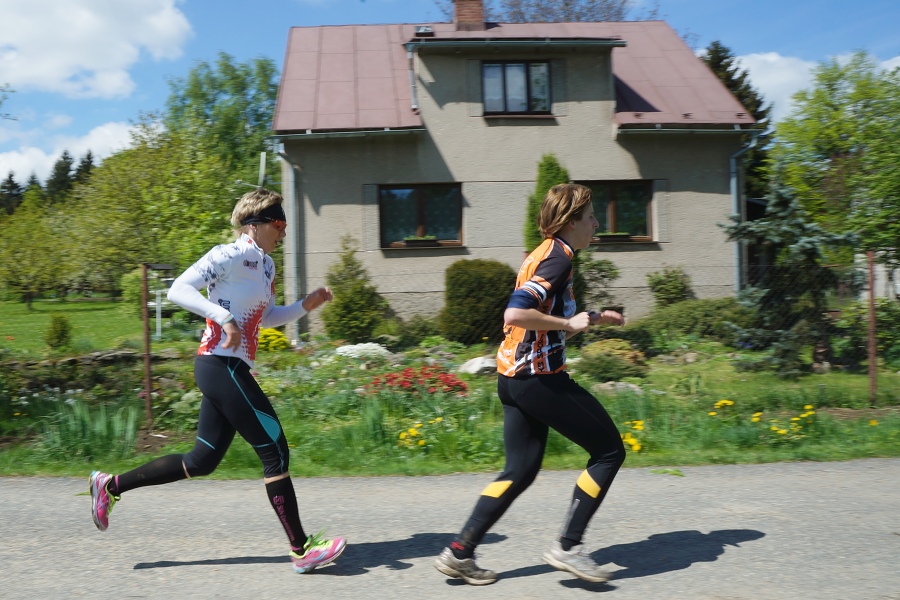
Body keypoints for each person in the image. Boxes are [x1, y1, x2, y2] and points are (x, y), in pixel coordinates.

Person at [89, 188, 346, 574]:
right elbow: (178, 289)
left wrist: (304, 306)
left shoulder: (266, 267)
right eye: (279, 224)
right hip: (218, 364)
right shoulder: (228, 254)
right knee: (274, 449)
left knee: (202, 460)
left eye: (284, 225)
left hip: (230, 368)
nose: (284, 232)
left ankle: (110, 486)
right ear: (255, 224)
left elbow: (266, 318)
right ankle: (302, 549)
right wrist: (222, 318)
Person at [434, 183, 626, 585]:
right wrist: (568, 323)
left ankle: (460, 552)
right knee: (609, 451)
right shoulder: (559, 259)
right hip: (539, 379)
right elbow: (517, 313)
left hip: (513, 378)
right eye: (591, 217)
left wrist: (590, 318)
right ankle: (569, 546)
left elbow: (540, 318)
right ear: (571, 221)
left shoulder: (544, 253)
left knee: (519, 469)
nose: (596, 224)